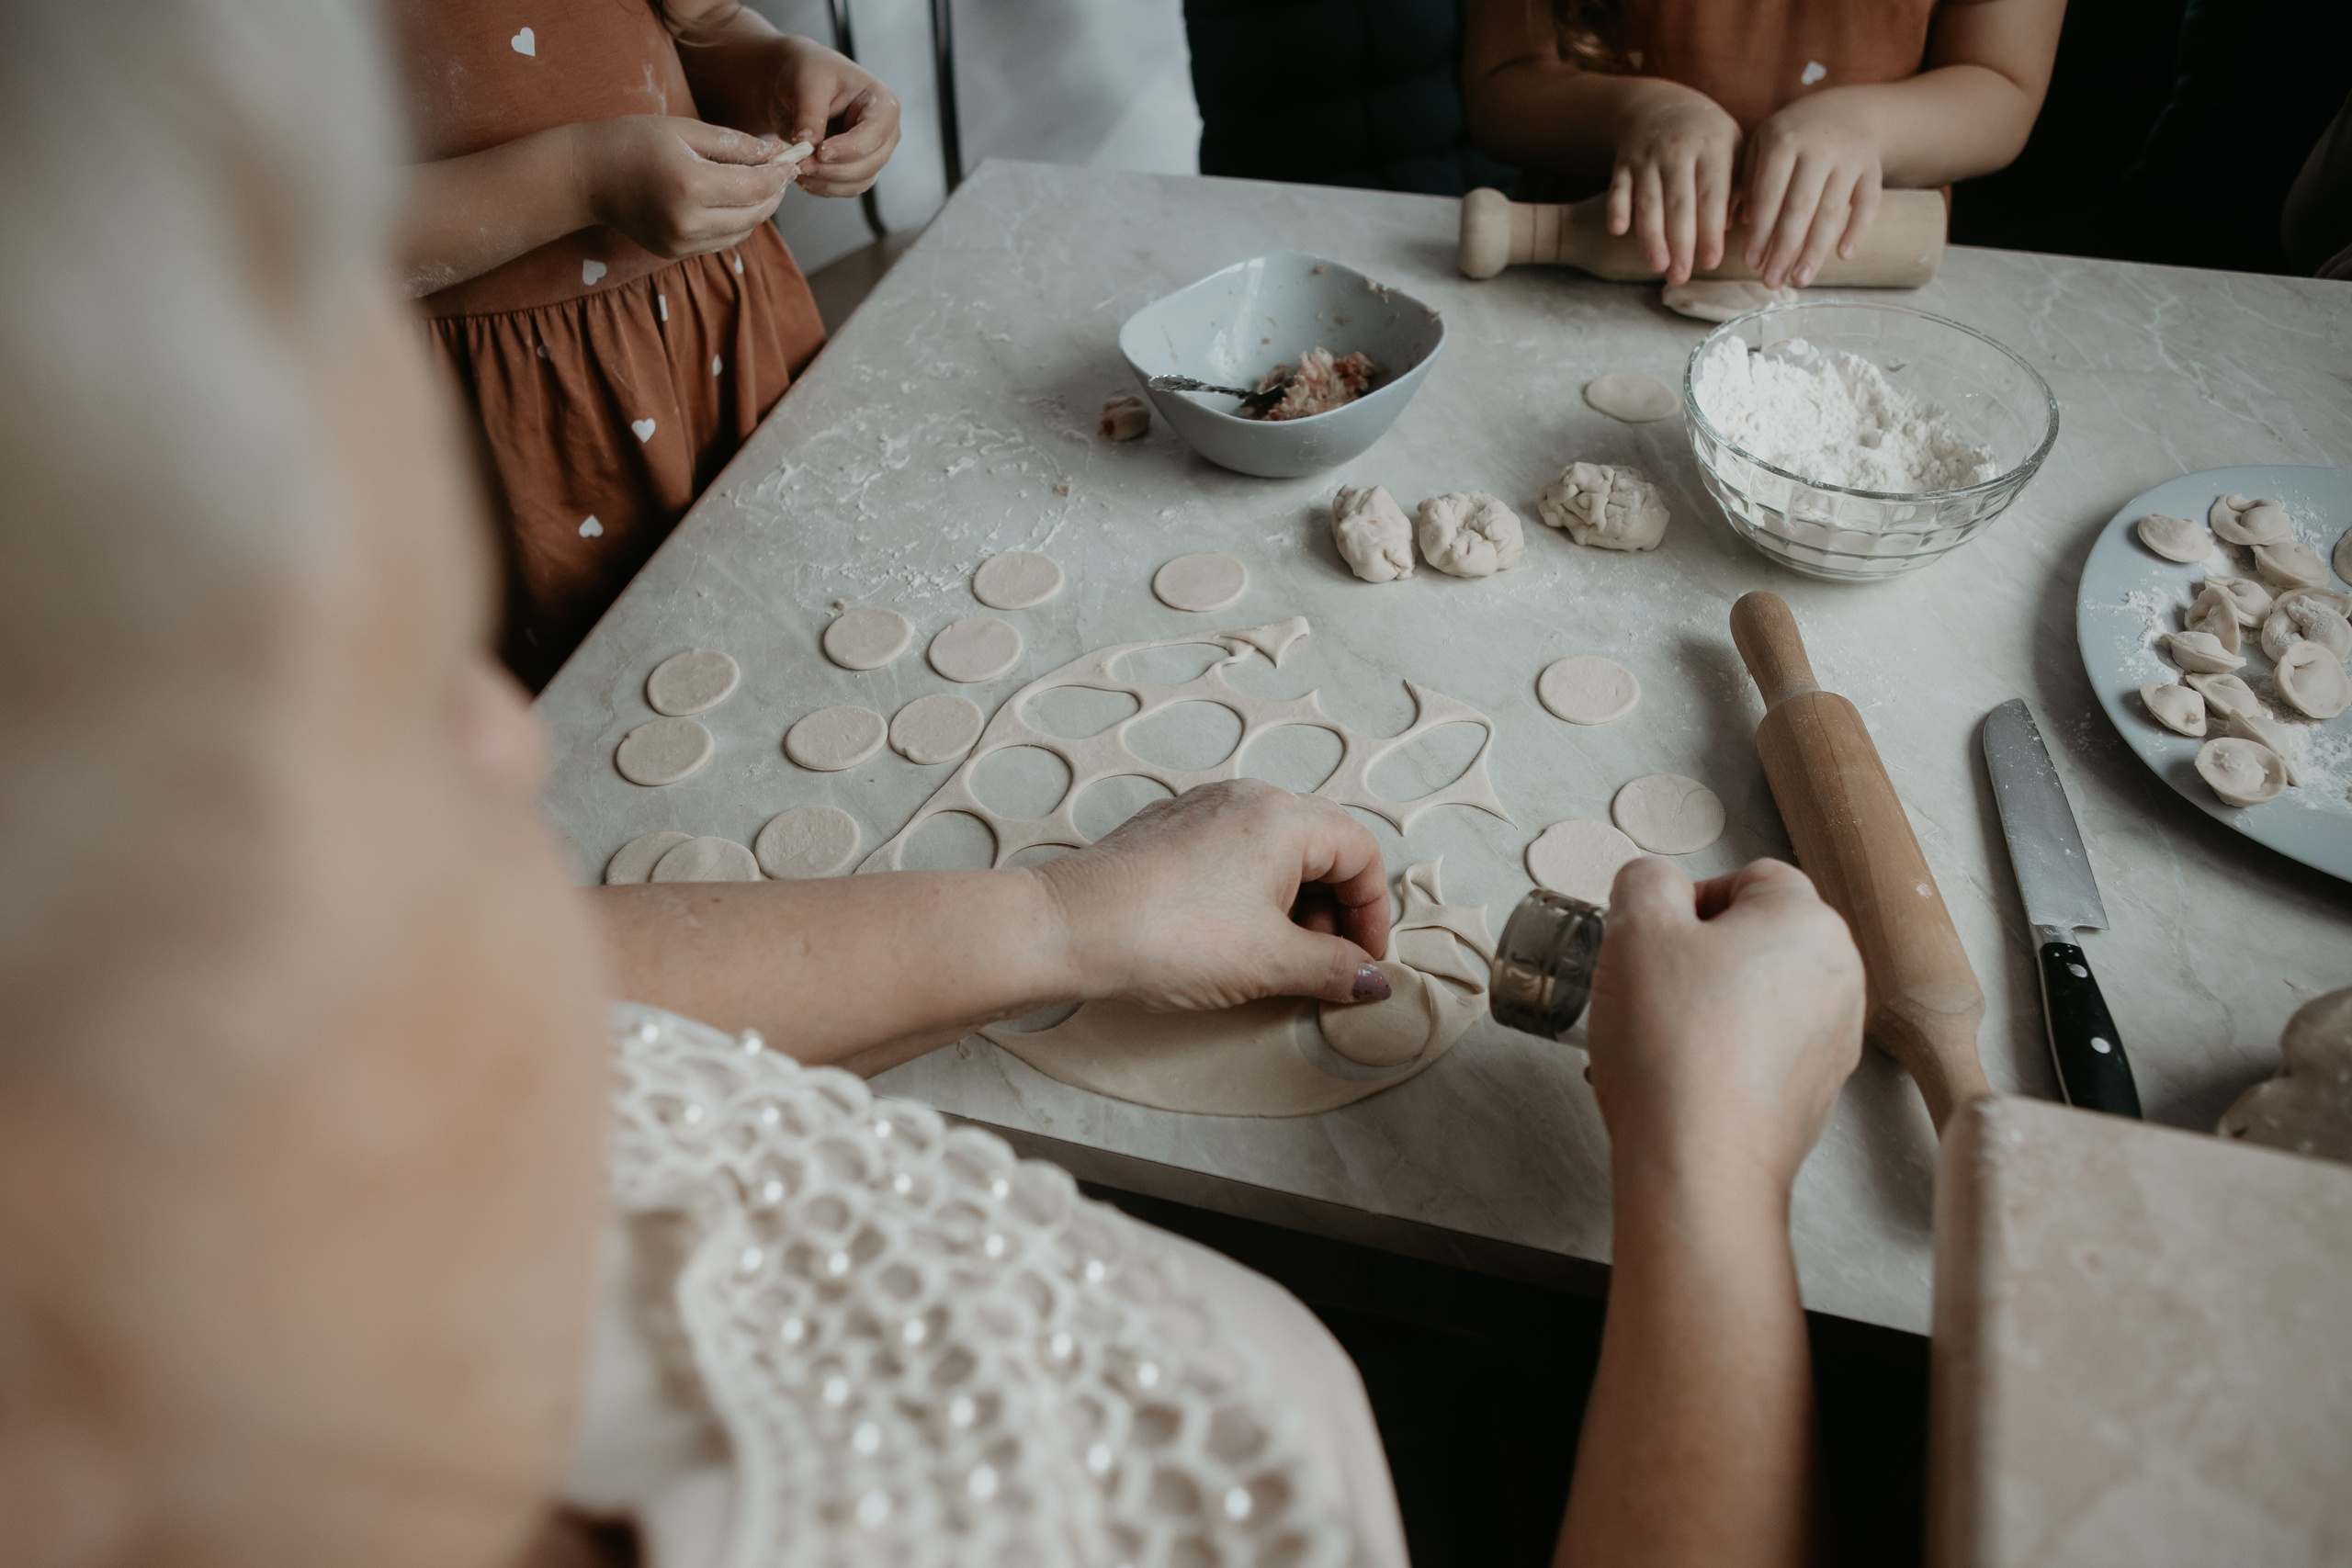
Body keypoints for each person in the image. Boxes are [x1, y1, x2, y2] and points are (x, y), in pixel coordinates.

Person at [0, 4, 1868, 1567]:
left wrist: (1063, 913)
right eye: (329, 731)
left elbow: (489, 987)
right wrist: (1709, 1186)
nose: (508, 746)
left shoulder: (277, 1074)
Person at [394, 0, 902, 690]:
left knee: (799, 639)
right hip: (499, 427)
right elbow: (275, 237)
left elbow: (705, 25)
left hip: (717, 339)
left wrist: (784, 72)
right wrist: (581, 179)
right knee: (599, 709)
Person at [1463, 0, 2064, 289]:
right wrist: (1641, 111)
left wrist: (1869, 124)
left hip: (1858, 287)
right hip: (1578, 270)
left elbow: (2003, 86)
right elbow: (1501, 85)